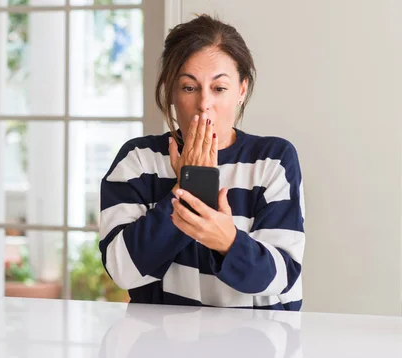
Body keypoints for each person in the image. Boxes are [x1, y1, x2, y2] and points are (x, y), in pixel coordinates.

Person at [98, 14, 305, 310]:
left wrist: (227, 241)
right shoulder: (138, 160)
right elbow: (122, 270)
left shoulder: (273, 160)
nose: (204, 103)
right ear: (171, 90)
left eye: (219, 88)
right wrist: (192, 186)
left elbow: (279, 279)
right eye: (189, 87)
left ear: (241, 90)